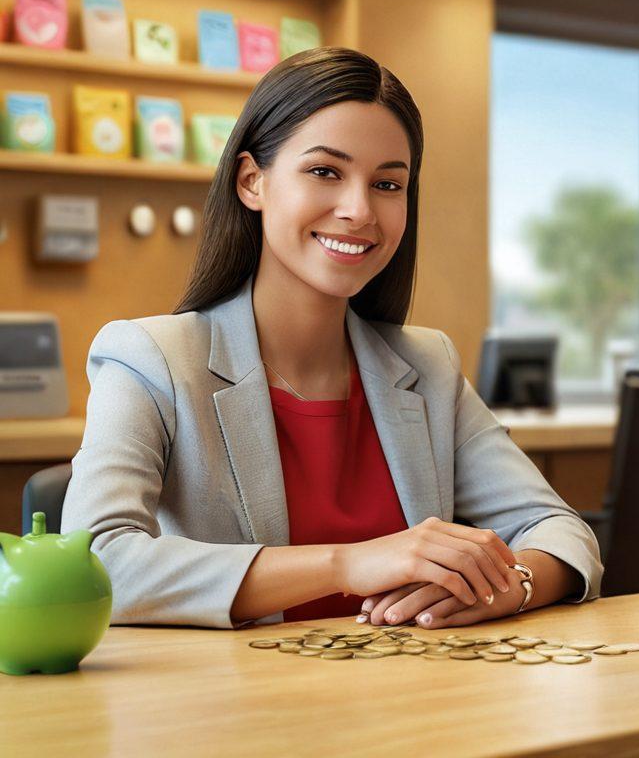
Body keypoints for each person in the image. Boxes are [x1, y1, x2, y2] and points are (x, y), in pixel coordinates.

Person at [62, 46, 603, 631]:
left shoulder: (428, 365)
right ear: (252, 181)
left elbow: (562, 533)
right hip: (236, 711)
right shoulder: (149, 359)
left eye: (388, 184)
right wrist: (348, 564)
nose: (359, 210)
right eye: (325, 172)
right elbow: (91, 564)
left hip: (421, 706)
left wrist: (508, 587)